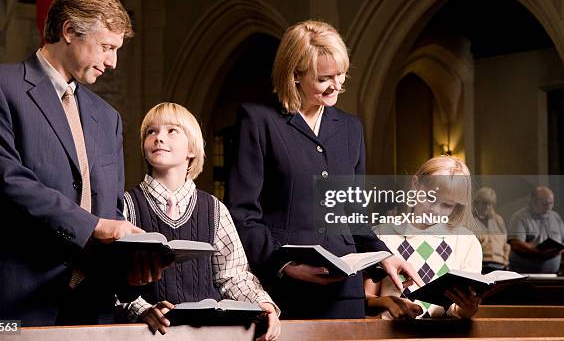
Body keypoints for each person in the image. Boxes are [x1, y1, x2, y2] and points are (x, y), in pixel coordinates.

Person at [0, 0, 161, 326]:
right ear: (68, 31)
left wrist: (128, 268)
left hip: (90, 309)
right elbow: (5, 181)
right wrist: (94, 226)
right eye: (107, 47)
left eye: (117, 50)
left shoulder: (108, 118)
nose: (113, 62)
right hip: (8, 305)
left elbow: (109, 209)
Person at [225, 20, 421, 319]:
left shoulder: (351, 128)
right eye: (325, 78)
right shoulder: (258, 120)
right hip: (284, 289)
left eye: (341, 74)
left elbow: (354, 215)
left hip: (345, 290)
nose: (337, 85)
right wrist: (285, 265)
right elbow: (243, 214)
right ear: (295, 75)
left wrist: (385, 257)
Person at [119, 103, 280, 340]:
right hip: (147, 335)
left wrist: (262, 302)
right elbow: (110, 280)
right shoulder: (126, 206)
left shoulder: (214, 209)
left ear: (192, 149)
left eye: (172, 130)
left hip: (207, 334)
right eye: (150, 132)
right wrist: (140, 308)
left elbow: (232, 275)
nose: (158, 138)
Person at [365, 156, 483, 319]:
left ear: (457, 204)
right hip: (391, 336)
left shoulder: (466, 241)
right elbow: (365, 299)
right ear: (415, 185)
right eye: (430, 198)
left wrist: (469, 309)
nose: (435, 210)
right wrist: (387, 302)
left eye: (447, 205)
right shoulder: (381, 235)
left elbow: (461, 308)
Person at [508, 186, 564, 273]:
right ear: (533, 201)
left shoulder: (556, 217)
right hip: (525, 276)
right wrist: (538, 252)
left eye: (551, 203)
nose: (548, 207)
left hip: (553, 275)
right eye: (544, 203)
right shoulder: (519, 217)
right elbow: (516, 244)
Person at [473, 187, 510, 273]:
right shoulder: (470, 221)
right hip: (482, 264)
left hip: (500, 264)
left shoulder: (498, 220)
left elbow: (506, 245)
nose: (487, 207)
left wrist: (506, 261)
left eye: (490, 204)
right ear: (476, 203)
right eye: (484, 203)